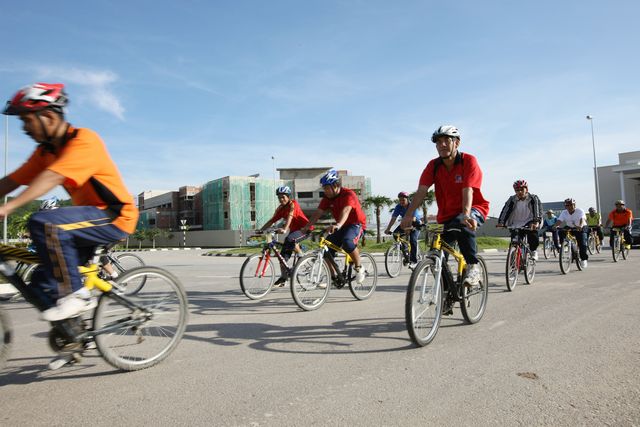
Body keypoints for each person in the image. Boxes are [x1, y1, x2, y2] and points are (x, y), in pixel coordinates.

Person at [0, 83, 139, 322]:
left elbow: (53, 176)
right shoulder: (45, 153)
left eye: (27, 120)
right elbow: (12, 180)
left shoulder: (84, 140)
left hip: (115, 216)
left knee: (44, 222)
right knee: (41, 282)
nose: (24, 128)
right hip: (86, 223)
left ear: (48, 116)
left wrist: (7, 207)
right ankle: (73, 334)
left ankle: (77, 296)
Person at [401, 125, 490, 288]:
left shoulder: (468, 161)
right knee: (436, 255)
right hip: (446, 215)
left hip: (473, 208)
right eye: (438, 142)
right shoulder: (433, 166)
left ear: (457, 143)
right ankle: (447, 292)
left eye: (446, 140)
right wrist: (408, 214)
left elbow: (468, 189)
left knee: (462, 224)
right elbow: (421, 191)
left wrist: (466, 214)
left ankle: (473, 266)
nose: (442, 145)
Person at [301, 169, 367, 284]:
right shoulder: (327, 198)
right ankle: (334, 276)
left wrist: (338, 224)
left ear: (335, 186)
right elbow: (318, 213)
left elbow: (346, 210)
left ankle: (359, 267)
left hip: (355, 224)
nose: (325, 191)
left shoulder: (348, 194)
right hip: (341, 226)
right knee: (326, 249)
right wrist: (307, 226)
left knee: (347, 242)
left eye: (327, 188)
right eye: (324, 188)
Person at [258, 185, 312, 286]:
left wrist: (285, 229)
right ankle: (284, 277)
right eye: (279, 197)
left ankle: (301, 256)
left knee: (290, 239)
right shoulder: (280, 208)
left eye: (283, 197)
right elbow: (272, 220)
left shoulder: (293, 204)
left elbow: (290, 216)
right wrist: (261, 230)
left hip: (305, 229)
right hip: (294, 231)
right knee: (282, 257)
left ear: (288, 197)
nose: (281, 199)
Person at [497, 179, 543, 260]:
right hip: (516, 222)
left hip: (530, 221)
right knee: (515, 241)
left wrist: (536, 222)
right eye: (517, 190)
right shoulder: (512, 199)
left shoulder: (533, 198)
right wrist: (501, 222)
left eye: (522, 189)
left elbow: (537, 210)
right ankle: (516, 259)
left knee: (532, 234)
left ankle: (533, 251)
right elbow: (505, 211)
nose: (519, 192)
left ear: (526, 189)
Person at [384, 191, 423, 268]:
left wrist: (409, 228)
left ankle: (414, 261)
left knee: (413, 240)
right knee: (396, 234)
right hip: (405, 222)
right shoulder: (398, 207)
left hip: (415, 223)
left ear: (407, 200)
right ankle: (406, 252)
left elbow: (413, 218)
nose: (401, 202)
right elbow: (393, 218)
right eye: (400, 200)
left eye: (403, 200)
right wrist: (388, 229)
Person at [554, 198, 588, 268]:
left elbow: (582, 219)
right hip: (570, 227)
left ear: (574, 205)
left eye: (571, 205)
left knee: (582, 243)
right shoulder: (564, 212)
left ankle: (583, 259)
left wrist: (580, 226)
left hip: (581, 227)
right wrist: (555, 226)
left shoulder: (579, 211)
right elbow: (559, 220)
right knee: (561, 231)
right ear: (565, 206)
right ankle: (564, 246)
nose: (569, 207)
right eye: (567, 205)